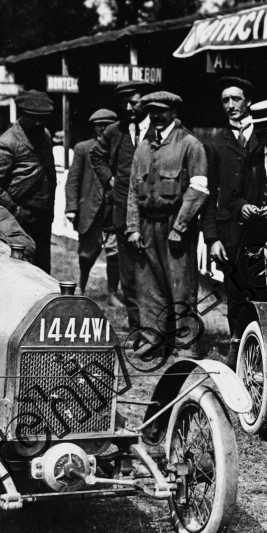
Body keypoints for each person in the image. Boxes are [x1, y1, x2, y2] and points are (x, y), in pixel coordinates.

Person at [126, 91, 210, 357]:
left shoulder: (190, 144)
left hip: (176, 226)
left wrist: (180, 227)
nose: (156, 116)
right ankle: (153, 339)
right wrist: (133, 227)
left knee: (181, 288)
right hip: (147, 226)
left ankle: (186, 344)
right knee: (148, 287)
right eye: (152, 111)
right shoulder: (144, 145)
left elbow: (199, 189)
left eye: (162, 111)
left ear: (174, 112)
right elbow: (133, 189)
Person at [202, 76, 262, 363]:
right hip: (231, 234)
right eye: (225, 100)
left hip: (263, 229)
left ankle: (262, 348)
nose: (230, 105)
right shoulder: (216, 143)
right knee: (235, 293)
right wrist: (212, 238)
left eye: (236, 99)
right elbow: (209, 193)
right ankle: (236, 351)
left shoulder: (264, 135)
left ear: (248, 101)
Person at [90, 80, 156, 330]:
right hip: (122, 213)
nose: (129, 108)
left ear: (146, 102)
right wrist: (110, 179)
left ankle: (157, 329)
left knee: (153, 275)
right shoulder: (115, 131)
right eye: (124, 103)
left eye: (134, 102)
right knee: (128, 276)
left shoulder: (159, 129)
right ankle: (137, 330)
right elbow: (96, 155)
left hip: (153, 214)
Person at [0, 90, 57, 273]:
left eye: (42, 118)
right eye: (32, 117)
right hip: (22, 217)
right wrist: (13, 208)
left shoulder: (44, 135)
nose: (38, 123)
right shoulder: (9, 142)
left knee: (43, 269)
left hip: (43, 215)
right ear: (21, 115)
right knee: (22, 269)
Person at [65, 109, 121, 298]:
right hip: (90, 210)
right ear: (94, 127)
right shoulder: (83, 148)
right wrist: (72, 208)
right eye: (99, 125)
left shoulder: (121, 149)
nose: (103, 129)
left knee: (115, 253)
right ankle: (81, 286)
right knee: (87, 253)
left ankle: (112, 294)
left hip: (113, 211)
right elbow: (73, 180)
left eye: (108, 125)